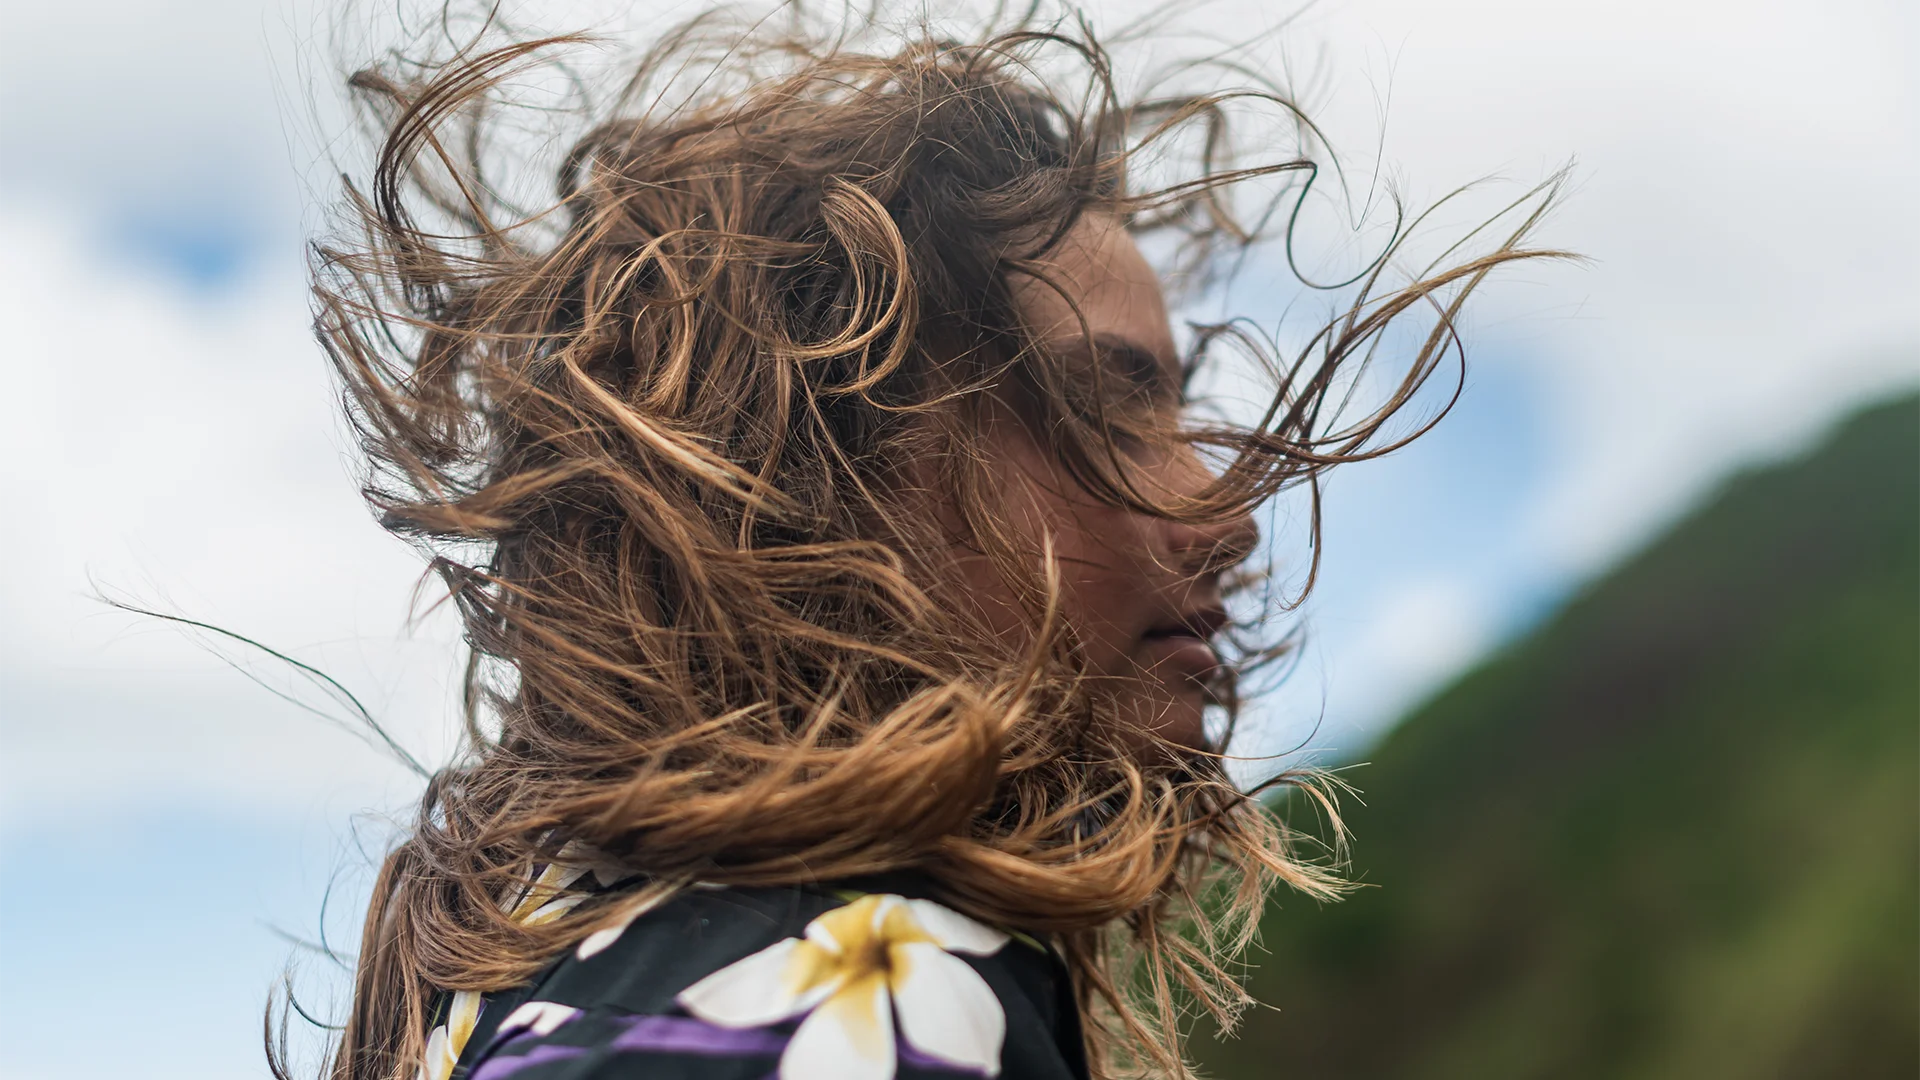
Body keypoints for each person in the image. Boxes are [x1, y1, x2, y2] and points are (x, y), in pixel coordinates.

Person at [295, 7, 1553, 1080]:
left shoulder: (560, 965)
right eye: (1104, 406)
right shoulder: (869, 1005)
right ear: (817, 476)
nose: (1224, 514)